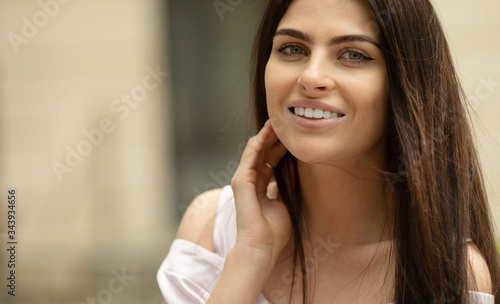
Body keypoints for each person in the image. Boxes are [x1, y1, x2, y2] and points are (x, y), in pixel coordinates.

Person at [157, 0, 500, 303]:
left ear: (405, 85)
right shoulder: (210, 230)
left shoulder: (449, 274)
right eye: (293, 49)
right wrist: (248, 258)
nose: (312, 77)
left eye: (354, 54)